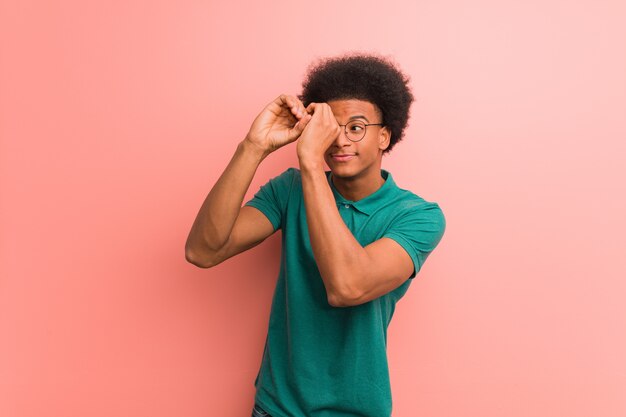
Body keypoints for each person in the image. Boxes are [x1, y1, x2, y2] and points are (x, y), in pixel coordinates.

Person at [185, 53, 446, 417]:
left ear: (384, 136)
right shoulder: (289, 190)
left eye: (355, 127)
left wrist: (309, 162)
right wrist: (254, 145)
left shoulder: (417, 216)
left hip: (356, 411)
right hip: (276, 408)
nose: (340, 141)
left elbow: (347, 287)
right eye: (330, 128)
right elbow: (203, 251)